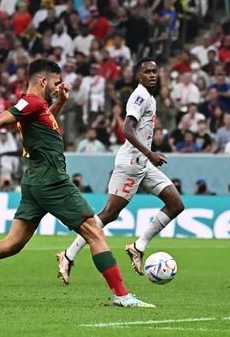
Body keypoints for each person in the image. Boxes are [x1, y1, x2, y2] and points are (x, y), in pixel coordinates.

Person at [0, 59, 153, 308]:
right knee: (94, 231)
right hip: (51, 179)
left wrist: (60, 103)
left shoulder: (38, 107)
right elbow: (1, 119)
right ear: (42, 80)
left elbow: (41, 125)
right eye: (56, 83)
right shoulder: (31, 101)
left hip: (35, 178)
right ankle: (122, 295)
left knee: (12, 243)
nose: (59, 87)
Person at [56, 58, 184, 283]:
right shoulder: (140, 96)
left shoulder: (150, 97)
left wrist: (147, 157)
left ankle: (138, 246)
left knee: (176, 204)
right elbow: (126, 129)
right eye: (147, 72)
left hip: (143, 164)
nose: (152, 75)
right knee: (108, 214)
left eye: (155, 71)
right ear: (138, 75)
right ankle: (68, 255)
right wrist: (150, 153)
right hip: (131, 164)